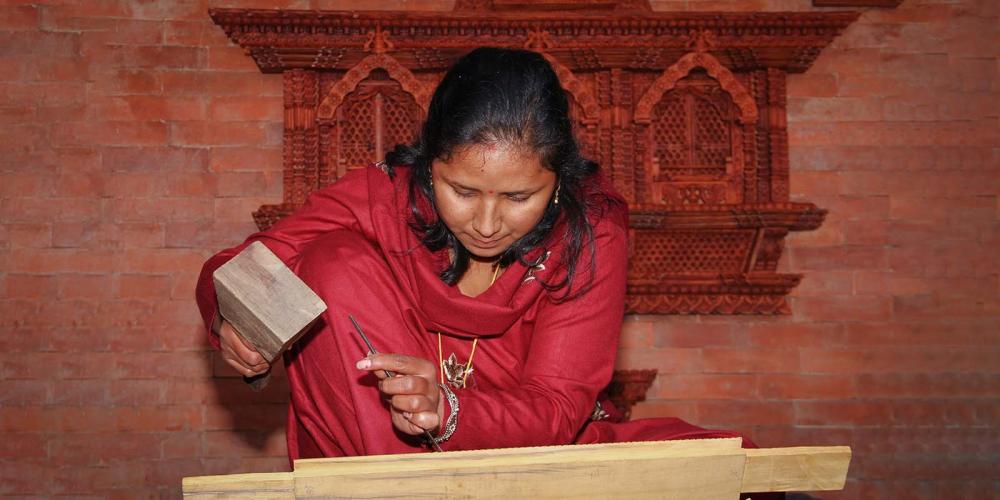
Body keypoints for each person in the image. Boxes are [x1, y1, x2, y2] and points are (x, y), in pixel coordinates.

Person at [196, 47, 753, 460]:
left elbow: (557, 407)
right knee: (331, 262)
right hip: (381, 449)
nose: (486, 224)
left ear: (558, 181)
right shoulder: (387, 194)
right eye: (461, 191)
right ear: (427, 166)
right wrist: (233, 320)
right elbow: (249, 264)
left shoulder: (591, 230)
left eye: (518, 197)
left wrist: (448, 410)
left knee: (739, 472)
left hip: (524, 446)